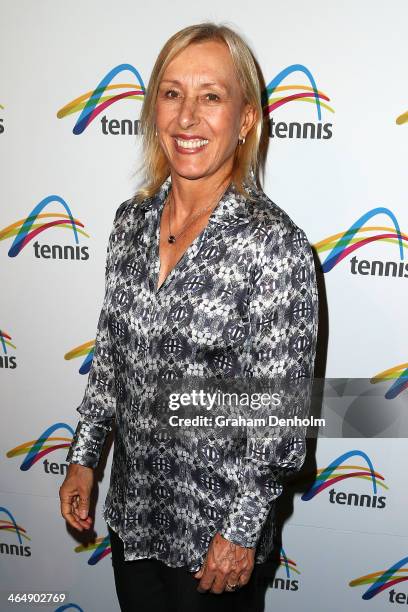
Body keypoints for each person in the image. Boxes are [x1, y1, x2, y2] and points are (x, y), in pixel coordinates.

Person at [59, 22, 319, 612]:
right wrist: (83, 456)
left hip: (216, 540)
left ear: (246, 119)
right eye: (172, 94)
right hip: (135, 518)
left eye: (211, 96)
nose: (187, 117)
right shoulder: (130, 224)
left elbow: (279, 419)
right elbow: (110, 363)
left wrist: (241, 531)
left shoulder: (272, 245)